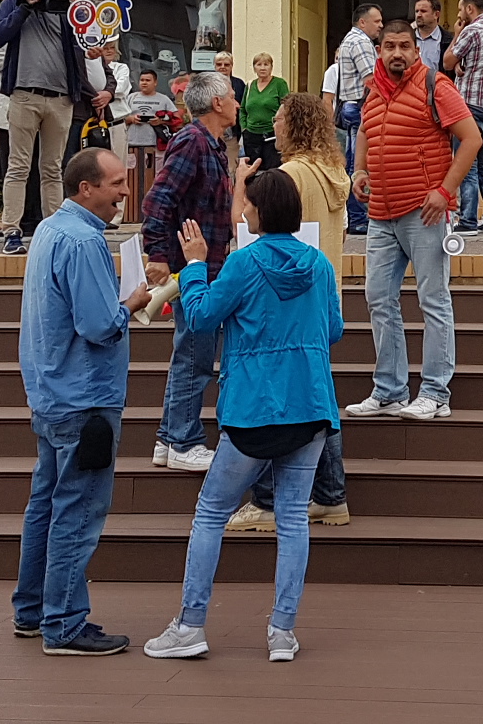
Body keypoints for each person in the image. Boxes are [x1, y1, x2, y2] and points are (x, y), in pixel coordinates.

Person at [142, 165, 346, 665]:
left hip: (254, 406)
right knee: (293, 518)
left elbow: (204, 316)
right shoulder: (319, 265)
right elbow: (335, 329)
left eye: (248, 203)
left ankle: (190, 625)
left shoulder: (243, 263)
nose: (242, 209)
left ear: (261, 210)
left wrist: (193, 266)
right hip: (310, 403)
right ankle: (282, 632)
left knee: (211, 513)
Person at [13, 146, 150, 657]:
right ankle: (65, 623)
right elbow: (99, 325)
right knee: (77, 509)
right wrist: (132, 302)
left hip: (51, 393)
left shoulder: (50, 230)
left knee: (46, 505)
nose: (124, 191)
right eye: (115, 183)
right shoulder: (85, 241)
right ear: (85, 188)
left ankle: (33, 610)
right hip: (86, 398)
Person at [228, 92, 356, 533]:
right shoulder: (333, 171)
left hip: (282, 292)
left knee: (276, 398)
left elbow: (253, 230)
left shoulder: (291, 175)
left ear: (295, 126)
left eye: (280, 118)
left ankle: (266, 500)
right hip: (323, 287)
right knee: (319, 394)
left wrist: (240, 186)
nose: (274, 126)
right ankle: (330, 495)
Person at [345, 18, 482, 423]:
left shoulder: (436, 85)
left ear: (417, 50)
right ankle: (389, 392)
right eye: (390, 46)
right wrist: (359, 170)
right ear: (379, 50)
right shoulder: (373, 91)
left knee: (433, 301)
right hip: (380, 215)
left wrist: (444, 192)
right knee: (377, 300)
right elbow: (368, 132)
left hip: (424, 214)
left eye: (405, 45)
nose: (398, 53)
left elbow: (471, 138)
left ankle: (436, 393)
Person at [141, 71, 239, 471]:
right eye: (232, 96)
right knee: (196, 355)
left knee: (191, 350)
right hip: (194, 268)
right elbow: (158, 199)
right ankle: (183, 440)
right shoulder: (194, 141)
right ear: (217, 103)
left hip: (204, 266)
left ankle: (169, 438)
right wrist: (158, 254)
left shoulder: (210, 145)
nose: (236, 102)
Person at [0, 0, 96, 255]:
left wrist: (91, 46)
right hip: (25, 93)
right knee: (18, 166)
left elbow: (81, 44)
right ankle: (11, 230)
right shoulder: (13, 4)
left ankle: (55, 230)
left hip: (60, 98)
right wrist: (25, 6)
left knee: (53, 168)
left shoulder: (67, 11)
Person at [443, 0, 483, 233]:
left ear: (470, 8)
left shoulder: (472, 31)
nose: (459, 15)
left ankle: (468, 220)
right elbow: (474, 63)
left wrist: (457, 34)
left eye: (461, 10)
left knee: (466, 163)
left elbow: (448, 61)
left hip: (467, 105)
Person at [334, 3, 381, 236]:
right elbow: (372, 79)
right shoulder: (362, 42)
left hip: (350, 106)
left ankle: (356, 216)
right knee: (359, 165)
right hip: (359, 107)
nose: (381, 25)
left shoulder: (349, 40)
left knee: (354, 162)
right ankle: (358, 217)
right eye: (377, 21)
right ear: (363, 22)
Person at [239, 52, 289, 169]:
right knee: (253, 170)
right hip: (251, 135)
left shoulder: (279, 84)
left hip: (272, 135)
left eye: (266, 64)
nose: (262, 68)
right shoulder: (250, 85)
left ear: (271, 67)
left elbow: (287, 108)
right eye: (259, 64)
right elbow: (242, 109)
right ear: (254, 67)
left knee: (272, 169)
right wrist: (244, 127)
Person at [409, 0, 450, 72]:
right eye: (417, 11)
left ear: (436, 14)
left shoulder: (448, 42)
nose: (418, 15)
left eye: (423, 11)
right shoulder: (407, 37)